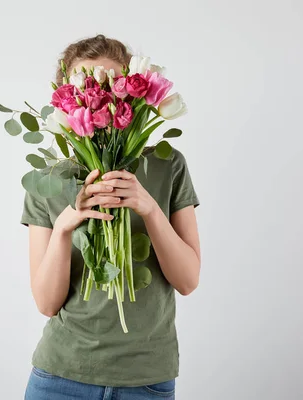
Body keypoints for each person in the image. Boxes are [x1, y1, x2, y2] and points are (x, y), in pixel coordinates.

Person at [21, 34, 201, 400]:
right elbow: (46, 304)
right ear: (66, 100)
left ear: (133, 96)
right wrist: (64, 225)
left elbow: (187, 281)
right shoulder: (50, 179)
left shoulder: (168, 165)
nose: (98, 96)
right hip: (60, 376)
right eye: (86, 86)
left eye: (110, 86)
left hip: (147, 379)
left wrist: (149, 207)